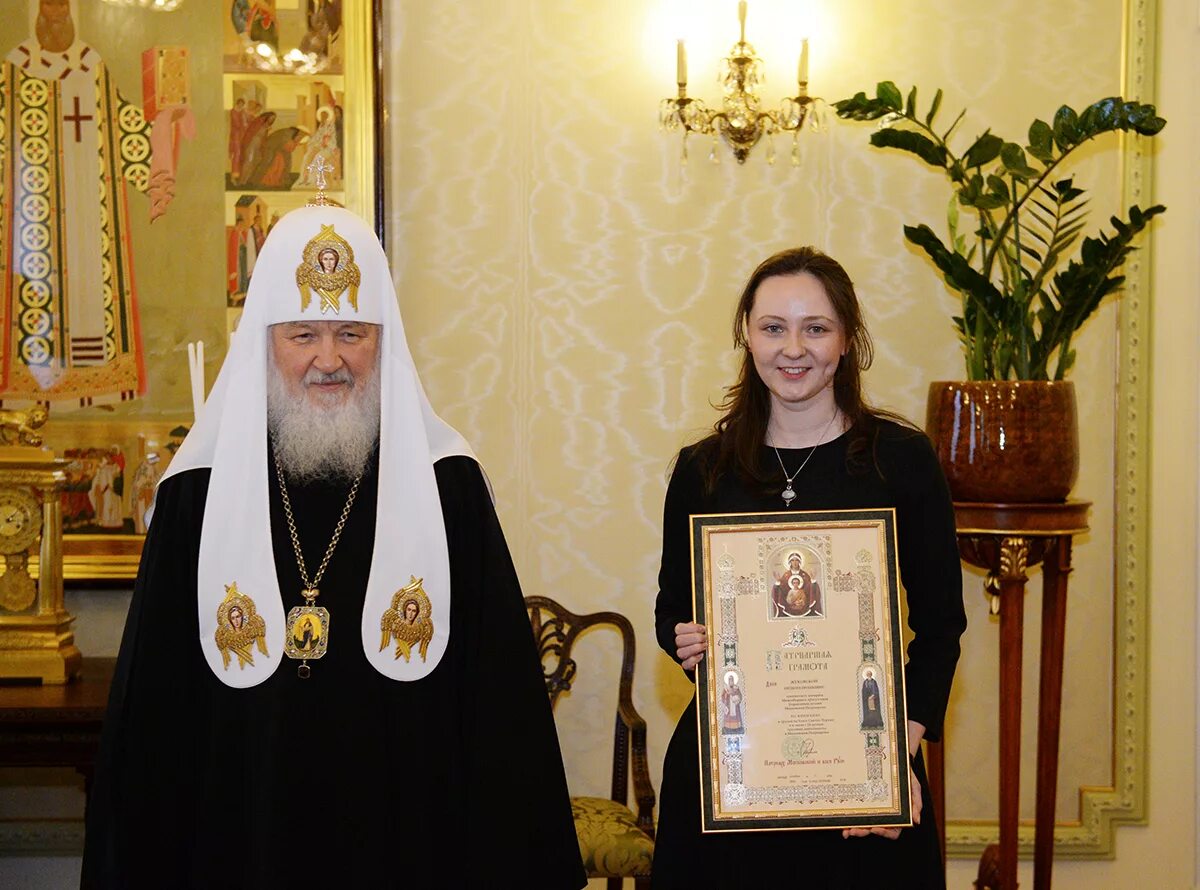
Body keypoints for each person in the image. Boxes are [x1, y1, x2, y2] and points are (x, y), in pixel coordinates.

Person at [82, 198, 586, 889]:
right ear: (264, 341)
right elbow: (154, 721)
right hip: (242, 831)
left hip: (404, 835)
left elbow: (497, 707)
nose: (329, 359)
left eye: (352, 332)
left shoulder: (449, 487)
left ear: (386, 342)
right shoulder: (194, 495)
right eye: (303, 335)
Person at [653, 247, 966, 889]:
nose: (793, 349)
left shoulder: (902, 460)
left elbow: (941, 628)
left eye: (816, 328)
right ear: (747, 334)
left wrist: (889, 757)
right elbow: (670, 612)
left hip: (863, 774)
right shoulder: (702, 470)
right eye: (773, 328)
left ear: (847, 339)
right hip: (730, 773)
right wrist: (683, 638)